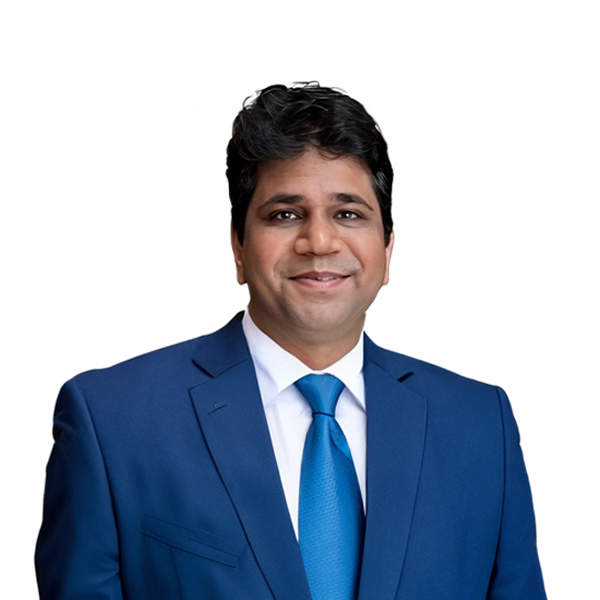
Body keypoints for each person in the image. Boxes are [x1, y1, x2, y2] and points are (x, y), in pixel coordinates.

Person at [35, 83, 547, 600]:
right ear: (238, 246)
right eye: (285, 214)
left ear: (388, 248)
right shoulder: (111, 421)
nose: (319, 241)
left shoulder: (481, 426)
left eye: (348, 213)